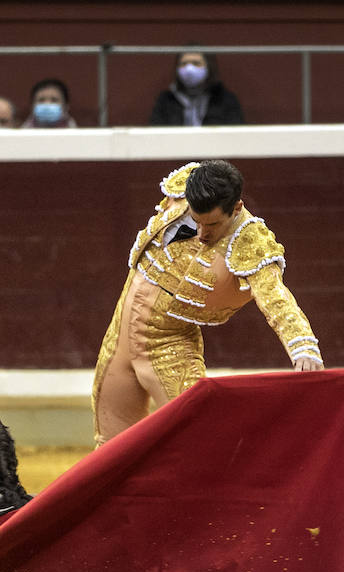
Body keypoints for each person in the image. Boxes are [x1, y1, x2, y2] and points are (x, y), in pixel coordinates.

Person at [91, 160, 324, 445]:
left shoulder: (250, 240)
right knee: (109, 445)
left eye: (212, 224)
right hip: (119, 339)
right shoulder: (184, 187)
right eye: (196, 220)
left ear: (236, 208)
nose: (202, 233)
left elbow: (276, 297)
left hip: (168, 344)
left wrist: (303, 347)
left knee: (198, 440)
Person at [148, 50, 244, 126]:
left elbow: (236, 135)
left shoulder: (225, 99)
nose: (189, 69)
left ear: (209, 67)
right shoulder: (166, 100)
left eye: (196, 63)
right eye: (184, 64)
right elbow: (155, 133)